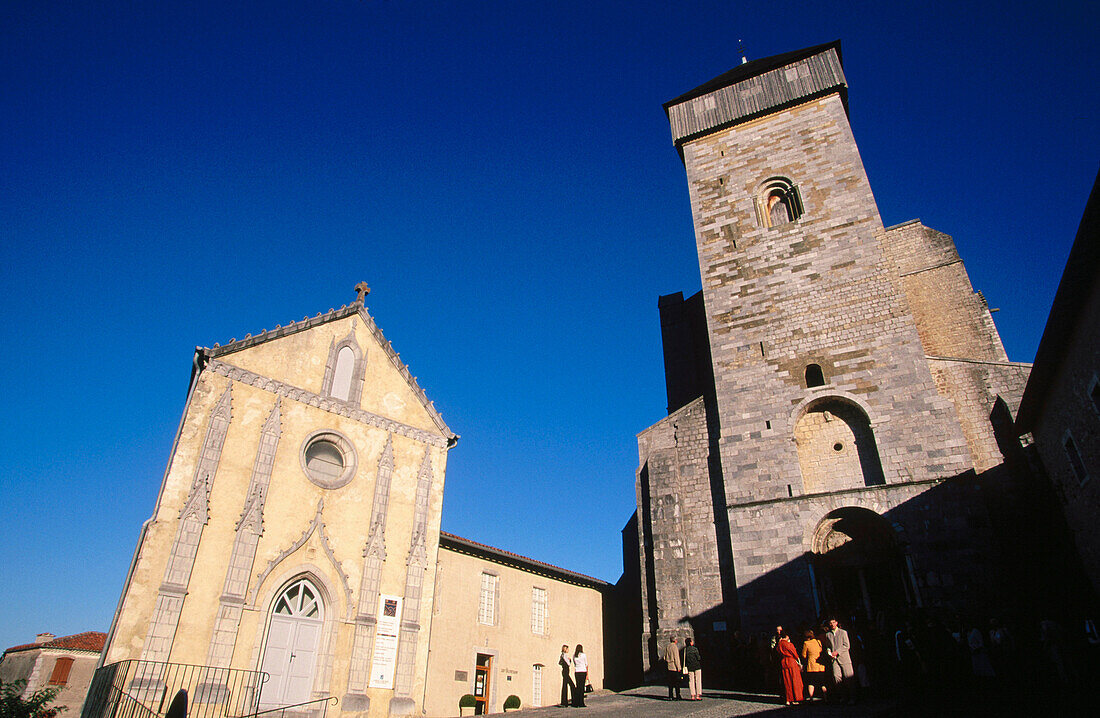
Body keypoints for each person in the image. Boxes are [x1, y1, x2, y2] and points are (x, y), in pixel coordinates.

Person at [824, 618, 854, 703]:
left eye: (833, 622)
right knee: (837, 677)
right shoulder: (828, 634)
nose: (832, 624)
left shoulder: (843, 632)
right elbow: (828, 646)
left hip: (844, 658)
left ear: (836, 623)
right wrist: (829, 652)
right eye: (830, 623)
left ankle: (852, 697)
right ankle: (843, 696)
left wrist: (837, 652)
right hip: (834, 660)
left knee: (848, 678)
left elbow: (846, 645)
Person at [776, 632, 804, 706]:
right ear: (787, 636)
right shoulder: (789, 644)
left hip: (784, 662)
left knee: (787, 681)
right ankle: (795, 698)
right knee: (795, 680)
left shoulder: (779, 644)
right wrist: (799, 663)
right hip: (791, 661)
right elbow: (795, 654)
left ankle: (788, 699)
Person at [800, 629, 826, 701]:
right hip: (820, 665)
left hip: (811, 665)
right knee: (822, 683)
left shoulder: (806, 643)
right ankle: (826, 697)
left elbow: (804, 655)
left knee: (811, 682)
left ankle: (811, 698)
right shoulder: (818, 641)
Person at [663, 636, 683, 700]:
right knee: (677, 682)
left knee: (670, 683)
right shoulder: (675, 647)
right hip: (674, 667)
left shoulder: (667, 646)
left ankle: (670, 696)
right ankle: (678, 695)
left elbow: (664, 657)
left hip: (669, 666)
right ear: (675, 640)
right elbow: (676, 658)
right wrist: (679, 667)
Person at [683, 636, 703, 700]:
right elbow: (698, 658)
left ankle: (692, 695)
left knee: (691, 681)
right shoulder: (695, 649)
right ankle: (698, 695)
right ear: (690, 642)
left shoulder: (685, 650)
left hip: (690, 667)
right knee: (698, 680)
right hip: (697, 666)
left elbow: (684, 659)